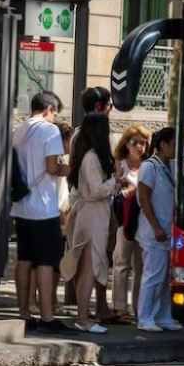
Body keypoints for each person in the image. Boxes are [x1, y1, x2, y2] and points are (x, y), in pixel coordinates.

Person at [11, 91, 71, 333]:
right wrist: (69, 168)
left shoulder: (20, 129)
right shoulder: (49, 130)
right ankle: (47, 316)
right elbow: (51, 167)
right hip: (43, 206)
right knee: (46, 261)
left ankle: (24, 312)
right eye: (55, 112)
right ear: (48, 109)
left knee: (24, 260)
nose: (55, 117)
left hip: (22, 204)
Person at [63, 113, 117, 334]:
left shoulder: (87, 156)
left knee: (88, 266)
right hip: (92, 215)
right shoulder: (92, 158)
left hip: (90, 214)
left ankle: (83, 316)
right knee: (88, 267)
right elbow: (96, 191)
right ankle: (83, 318)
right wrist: (114, 181)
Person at [137, 127, 183, 332]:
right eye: (174, 144)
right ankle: (145, 316)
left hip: (167, 230)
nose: (176, 148)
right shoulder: (149, 167)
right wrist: (155, 226)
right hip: (153, 231)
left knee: (166, 278)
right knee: (153, 275)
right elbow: (144, 198)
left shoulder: (169, 166)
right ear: (163, 144)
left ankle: (163, 315)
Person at [111, 124, 151, 321]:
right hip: (125, 221)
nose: (140, 147)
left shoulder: (148, 164)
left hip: (143, 221)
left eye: (144, 143)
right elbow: (114, 188)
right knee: (121, 263)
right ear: (127, 144)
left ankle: (138, 308)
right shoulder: (120, 163)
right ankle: (119, 307)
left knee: (140, 267)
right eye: (136, 143)